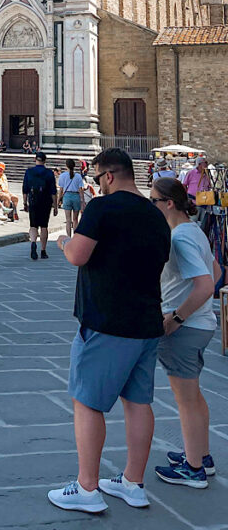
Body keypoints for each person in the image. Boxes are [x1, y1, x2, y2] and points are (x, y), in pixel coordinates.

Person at [48, 148, 170, 514]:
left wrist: (62, 240)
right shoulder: (156, 214)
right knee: (138, 403)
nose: (96, 186)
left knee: (87, 402)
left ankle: (87, 488)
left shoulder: (102, 207)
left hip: (107, 321)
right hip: (147, 322)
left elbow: (78, 255)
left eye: (97, 179)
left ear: (109, 176)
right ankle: (133, 483)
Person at [150, 177, 219, 487]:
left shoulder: (179, 237)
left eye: (153, 200)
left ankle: (193, 469)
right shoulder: (193, 231)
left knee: (185, 399)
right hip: (201, 325)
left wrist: (175, 317)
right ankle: (201, 455)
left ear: (169, 203)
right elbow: (217, 271)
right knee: (193, 396)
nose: (150, 206)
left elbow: (206, 283)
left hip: (186, 328)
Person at [23, 151, 58, 260]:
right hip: (45, 201)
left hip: (33, 200)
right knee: (44, 226)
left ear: (35, 159)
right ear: (45, 161)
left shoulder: (29, 172)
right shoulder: (49, 173)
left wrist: (25, 203)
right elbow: (53, 191)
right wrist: (55, 206)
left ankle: (33, 242)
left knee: (33, 225)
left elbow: (25, 189)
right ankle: (43, 250)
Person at [58, 159, 85, 238]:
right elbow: (81, 189)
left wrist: (59, 199)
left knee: (68, 220)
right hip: (76, 196)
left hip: (67, 196)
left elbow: (61, 189)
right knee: (75, 219)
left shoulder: (62, 176)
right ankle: (75, 237)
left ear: (66, 166)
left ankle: (68, 237)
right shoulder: (78, 176)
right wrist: (82, 201)